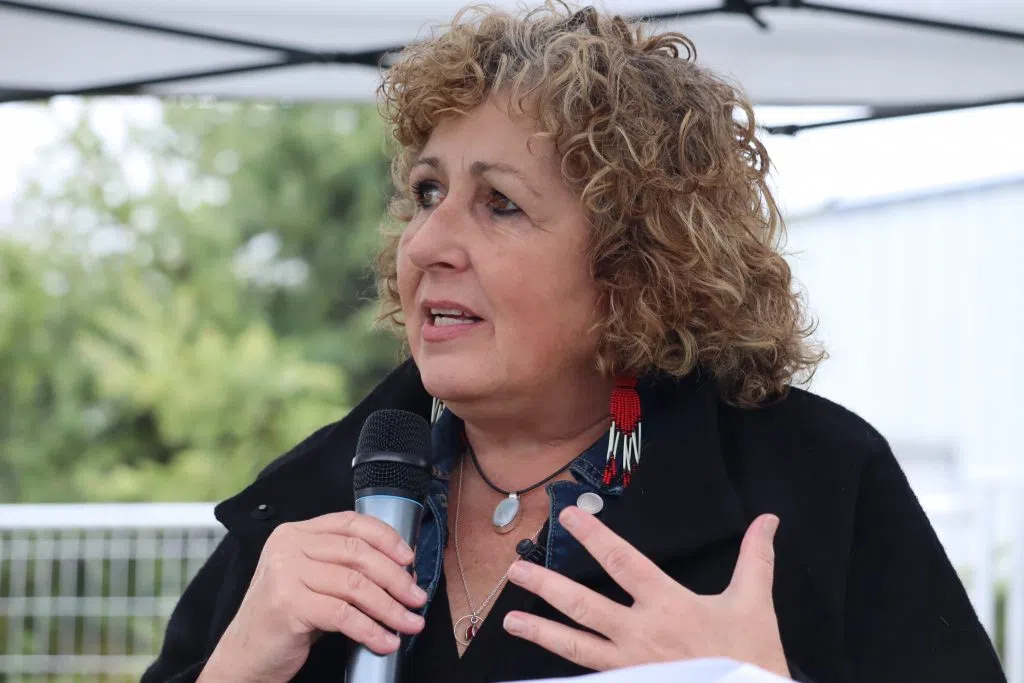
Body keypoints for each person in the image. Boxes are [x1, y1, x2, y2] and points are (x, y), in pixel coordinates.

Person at [141, 3, 1005, 683]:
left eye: (499, 204)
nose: (427, 243)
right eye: (427, 192)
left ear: (635, 262)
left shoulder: (815, 478)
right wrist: (235, 669)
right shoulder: (315, 499)